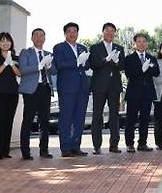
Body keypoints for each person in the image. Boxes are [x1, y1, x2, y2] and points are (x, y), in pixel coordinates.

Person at [52, 22, 90, 157]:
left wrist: (85, 62)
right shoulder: (59, 47)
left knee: (79, 118)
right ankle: (65, 148)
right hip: (67, 88)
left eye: (75, 31)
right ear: (65, 34)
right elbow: (60, 64)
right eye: (70, 31)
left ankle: (76, 146)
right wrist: (77, 62)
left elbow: (87, 65)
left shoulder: (82, 47)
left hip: (82, 88)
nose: (73, 34)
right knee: (66, 118)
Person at [18, 28, 56, 160]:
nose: (39, 38)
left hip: (45, 89)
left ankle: (44, 150)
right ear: (32, 38)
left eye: (42, 36)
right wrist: (39, 66)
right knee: (28, 120)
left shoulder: (48, 53)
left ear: (45, 38)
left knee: (44, 121)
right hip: (31, 90)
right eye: (36, 35)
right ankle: (25, 151)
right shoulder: (26, 52)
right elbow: (22, 69)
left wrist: (49, 65)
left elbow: (54, 71)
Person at [88, 22, 125, 154]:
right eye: (107, 31)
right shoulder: (95, 47)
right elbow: (93, 64)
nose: (110, 33)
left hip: (114, 86)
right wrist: (106, 59)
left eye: (112, 31)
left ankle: (114, 145)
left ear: (115, 33)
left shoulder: (119, 47)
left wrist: (116, 62)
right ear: (103, 32)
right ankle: (97, 146)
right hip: (99, 86)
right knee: (97, 115)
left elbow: (122, 67)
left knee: (114, 115)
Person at [0, 32, 20, 160]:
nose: (5, 43)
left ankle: (5, 151)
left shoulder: (16, 58)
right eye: (2, 41)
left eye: (8, 41)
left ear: (11, 43)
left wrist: (11, 63)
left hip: (12, 93)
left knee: (8, 122)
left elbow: (19, 74)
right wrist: (5, 63)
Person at [124, 33, 160, 152]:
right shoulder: (129, 58)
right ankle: (130, 143)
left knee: (145, 119)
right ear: (135, 44)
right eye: (139, 41)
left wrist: (147, 68)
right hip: (134, 93)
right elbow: (129, 73)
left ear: (147, 43)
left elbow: (156, 72)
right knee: (131, 119)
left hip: (147, 93)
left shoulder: (151, 57)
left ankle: (142, 143)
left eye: (144, 41)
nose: (141, 43)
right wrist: (142, 69)